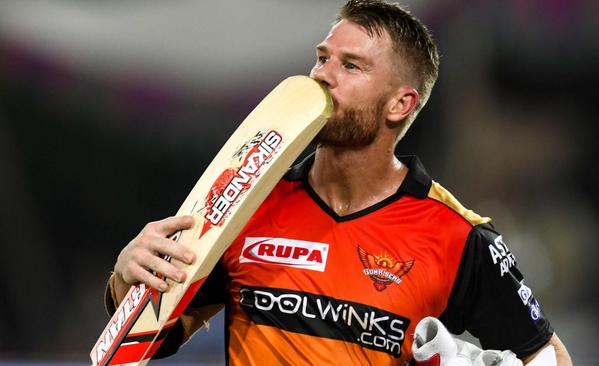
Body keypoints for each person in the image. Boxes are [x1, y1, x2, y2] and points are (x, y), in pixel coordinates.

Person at [106, 1, 572, 365]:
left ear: (400, 104)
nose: (322, 75)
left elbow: (546, 354)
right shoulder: (249, 201)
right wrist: (127, 277)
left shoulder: (457, 236)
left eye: (351, 66)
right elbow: (158, 336)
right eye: (322, 57)